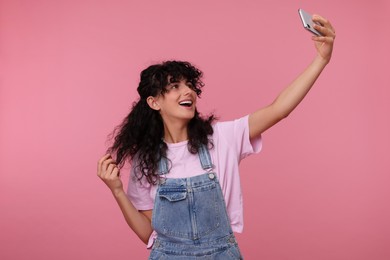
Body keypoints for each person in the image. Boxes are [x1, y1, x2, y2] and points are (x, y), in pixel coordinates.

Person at [97, 14, 335, 259]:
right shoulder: (145, 161)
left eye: (189, 84)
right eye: (175, 86)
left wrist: (321, 60)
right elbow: (149, 234)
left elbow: (279, 109)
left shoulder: (222, 138)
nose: (188, 90)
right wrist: (117, 191)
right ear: (154, 102)